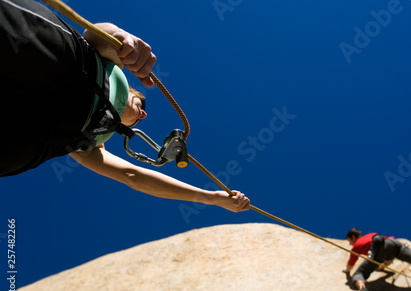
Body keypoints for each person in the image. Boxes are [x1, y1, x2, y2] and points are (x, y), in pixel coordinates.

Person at [0, 0, 250, 212]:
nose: (143, 113)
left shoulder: (94, 147)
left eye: (139, 119)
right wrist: (120, 37)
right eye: (140, 103)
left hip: (30, 134)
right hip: (63, 61)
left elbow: (134, 176)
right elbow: (95, 35)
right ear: (130, 91)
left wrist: (213, 198)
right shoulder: (112, 67)